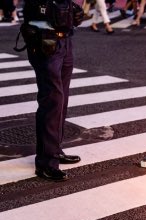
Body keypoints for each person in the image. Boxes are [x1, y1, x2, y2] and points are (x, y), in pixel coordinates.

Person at [19, 0, 83, 181]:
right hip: (44, 39)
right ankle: (46, 163)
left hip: (65, 39)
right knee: (52, 100)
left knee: (61, 100)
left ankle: (54, 150)